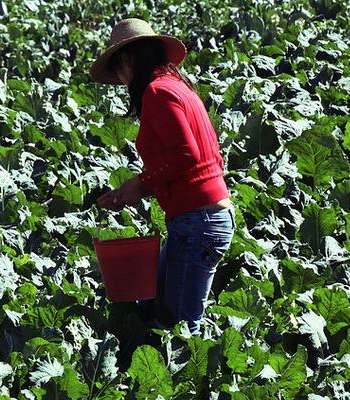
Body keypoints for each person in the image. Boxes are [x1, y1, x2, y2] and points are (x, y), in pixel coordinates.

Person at [90, 18, 235, 335]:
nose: (122, 81)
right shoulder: (179, 88)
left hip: (199, 221)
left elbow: (186, 154)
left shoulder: (157, 92)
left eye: (119, 72)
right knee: (156, 305)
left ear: (129, 60)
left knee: (179, 327)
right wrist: (133, 189)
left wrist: (139, 185)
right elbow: (191, 162)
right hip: (203, 218)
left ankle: (186, 382)